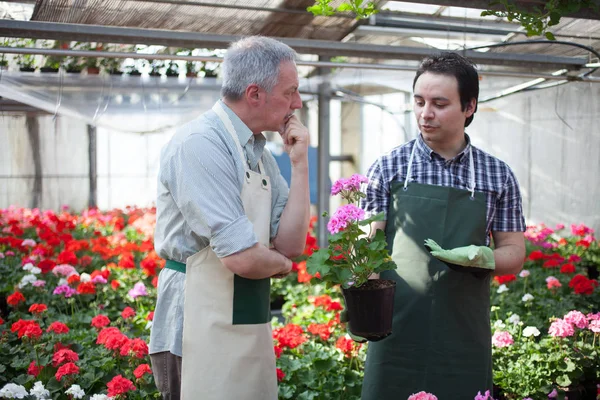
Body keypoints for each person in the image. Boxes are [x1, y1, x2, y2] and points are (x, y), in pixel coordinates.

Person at [149, 36, 310, 400]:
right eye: (290, 92)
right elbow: (241, 257)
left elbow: (291, 242)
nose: (297, 104)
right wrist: (283, 265)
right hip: (193, 319)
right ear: (255, 94)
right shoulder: (201, 144)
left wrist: (299, 164)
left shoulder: (259, 152)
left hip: (244, 310)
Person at [360, 52, 526, 399]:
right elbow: (368, 252)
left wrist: (485, 257)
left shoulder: (498, 175)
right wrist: (360, 293)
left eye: (439, 103)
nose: (425, 113)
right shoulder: (388, 168)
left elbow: (514, 252)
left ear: (469, 107)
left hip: (463, 335)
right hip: (395, 334)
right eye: (419, 101)